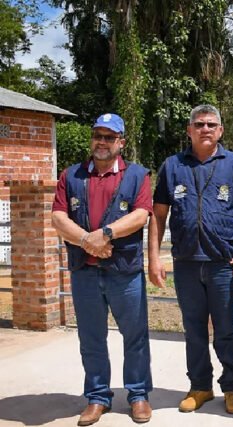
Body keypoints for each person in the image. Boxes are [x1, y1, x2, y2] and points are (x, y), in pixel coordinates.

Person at [148, 104, 233, 415]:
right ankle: (200, 386)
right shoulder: (173, 166)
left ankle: (232, 387)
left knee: (226, 329)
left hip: (223, 263)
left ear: (220, 130)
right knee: (193, 328)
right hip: (186, 261)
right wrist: (154, 258)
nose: (205, 129)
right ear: (189, 130)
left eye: (211, 124)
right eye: (199, 124)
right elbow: (158, 214)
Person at [51, 113, 153, 426]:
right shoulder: (71, 175)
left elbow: (141, 215)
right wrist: (87, 241)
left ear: (121, 142)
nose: (102, 142)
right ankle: (97, 397)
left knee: (135, 336)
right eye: (98, 135)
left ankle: (138, 395)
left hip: (124, 271)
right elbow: (58, 218)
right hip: (85, 270)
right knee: (91, 337)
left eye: (110, 137)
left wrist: (105, 234)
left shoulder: (137, 175)